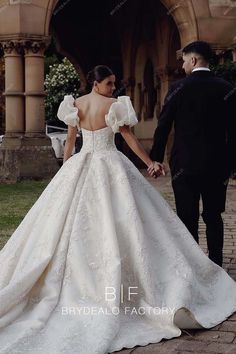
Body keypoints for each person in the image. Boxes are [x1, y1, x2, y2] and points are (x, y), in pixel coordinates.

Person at [0, 65, 236, 354]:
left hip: (81, 165)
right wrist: (150, 162)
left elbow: (72, 141)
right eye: (110, 83)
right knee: (123, 219)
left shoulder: (75, 104)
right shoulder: (113, 106)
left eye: (114, 84)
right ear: (96, 82)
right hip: (109, 164)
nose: (114, 88)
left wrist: (65, 168)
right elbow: (129, 138)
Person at [150, 41, 236, 268]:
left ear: (194, 60)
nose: (183, 64)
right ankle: (216, 265)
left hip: (184, 165)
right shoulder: (226, 88)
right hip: (217, 166)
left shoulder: (178, 87)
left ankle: (193, 267)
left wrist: (155, 158)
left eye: (185, 59)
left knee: (187, 218)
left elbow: (163, 125)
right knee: (213, 216)